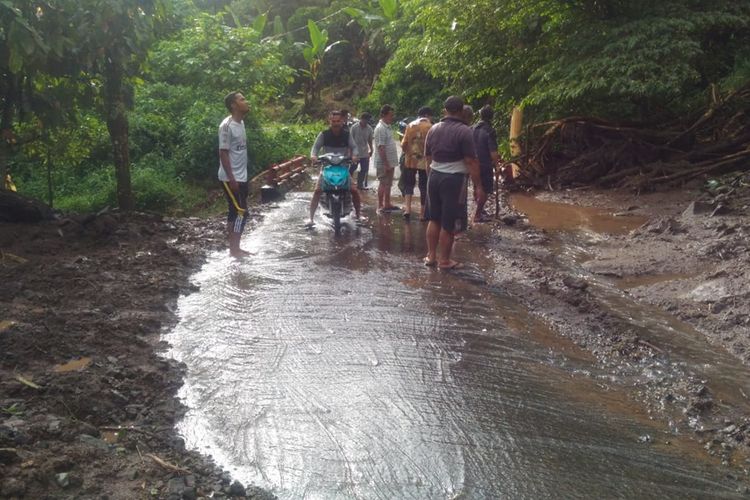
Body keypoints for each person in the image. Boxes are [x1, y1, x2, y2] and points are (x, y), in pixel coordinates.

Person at [423, 96, 485, 270]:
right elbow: (471, 161)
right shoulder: (464, 131)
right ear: (461, 111)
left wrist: (430, 177)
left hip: (434, 176)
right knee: (448, 222)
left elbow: (427, 158)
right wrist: (478, 186)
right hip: (454, 180)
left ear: (445, 110)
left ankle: (431, 256)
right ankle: (444, 260)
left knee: (434, 219)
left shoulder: (433, 129)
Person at [308, 110, 362, 226]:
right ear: (330, 121)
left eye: (338, 121)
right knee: (317, 191)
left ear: (342, 121)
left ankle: (358, 215)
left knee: (354, 191)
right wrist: (313, 156)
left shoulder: (347, 135)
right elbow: (315, 148)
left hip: (343, 167)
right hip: (326, 168)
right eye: (333, 121)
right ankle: (311, 219)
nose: (336, 123)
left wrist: (354, 156)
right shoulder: (324, 134)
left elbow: (355, 147)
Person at [218, 91, 251, 258]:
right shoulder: (226, 126)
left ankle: (235, 248)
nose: (246, 101)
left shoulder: (241, 123)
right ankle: (234, 249)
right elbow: (223, 153)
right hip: (230, 178)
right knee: (240, 212)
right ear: (233, 105)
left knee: (236, 211)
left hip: (242, 175)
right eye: (242, 99)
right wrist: (232, 179)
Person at [400, 106, 433, 220]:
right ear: (428, 115)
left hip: (410, 161)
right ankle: (422, 213)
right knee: (423, 186)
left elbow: (403, 144)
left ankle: (407, 209)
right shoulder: (431, 127)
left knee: (409, 184)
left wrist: (407, 153)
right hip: (424, 162)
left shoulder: (410, 125)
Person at [472, 105, 500, 222]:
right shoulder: (489, 130)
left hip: (472, 163)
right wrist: (497, 165)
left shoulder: (472, 128)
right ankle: (478, 215)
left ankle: (479, 210)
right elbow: (492, 151)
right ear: (491, 117)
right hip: (484, 164)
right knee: (484, 189)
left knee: (476, 186)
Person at [373, 104, 400, 212]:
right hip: (384, 162)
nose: (392, 117)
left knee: (388, 183)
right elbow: (381, 147)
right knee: (383, 183)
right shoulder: (380, 128)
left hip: (390, 162)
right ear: (384, 115)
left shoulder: (387, 127)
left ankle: (387, 204)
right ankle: (380, 205)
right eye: (390, 115)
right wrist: (386, 163)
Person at [350, 112, 374, 190]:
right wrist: (350, 151)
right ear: (362, 119)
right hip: (355, 153)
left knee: (364, 169)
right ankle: (348, 182)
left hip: (364, 152)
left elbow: (370, 140)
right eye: (365, 120)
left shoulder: (369, 128)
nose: (366, 122)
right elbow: (350, 140)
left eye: (368, 120)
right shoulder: (354, 127)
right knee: (352, 168)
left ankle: (360, 185)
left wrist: (371, 149)